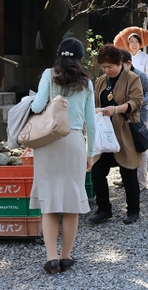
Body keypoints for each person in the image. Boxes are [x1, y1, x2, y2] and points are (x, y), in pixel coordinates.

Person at [28, 38, 96, 274]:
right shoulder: (87, 83)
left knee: (49, 203)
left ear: (58, 55)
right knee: (70, 204)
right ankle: (66, 256)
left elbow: (37, 107)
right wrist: (90, 153)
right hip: (75, 142)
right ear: (80, 58)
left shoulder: (48, 75)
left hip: (49, 142)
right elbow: (92, 123)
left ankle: (51, 259)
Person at [90, 44, 144, 225]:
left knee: (128, 172)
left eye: (110, 67)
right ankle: (104, 209)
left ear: (119, 62)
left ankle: (133, 210)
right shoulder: (101, 81)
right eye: (104, 67)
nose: (107, 70)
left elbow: (136, 102)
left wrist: (115, 109)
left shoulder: (132, 78)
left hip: (125, 131)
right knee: (97, 172)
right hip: (105, 133)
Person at [118, 48, 148, 191]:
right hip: (123, 116)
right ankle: (125, 178)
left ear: (128, 63)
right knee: (124, 146)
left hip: (141, 116)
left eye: (120, 63)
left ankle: (141, 182)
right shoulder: (119, 77)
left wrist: (137, 102)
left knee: (141, 148)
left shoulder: (141, 75)